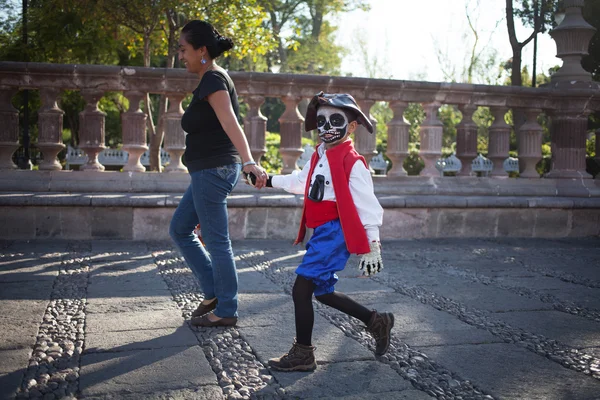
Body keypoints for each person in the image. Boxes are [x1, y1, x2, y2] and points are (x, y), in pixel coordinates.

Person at [248, 92, 394, 371]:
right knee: (323, 291)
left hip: (335, 233)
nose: (326, 127)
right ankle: (376, 320)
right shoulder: (319, 154)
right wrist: (267, 181)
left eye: (335, 120)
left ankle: (303, 354)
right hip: (323, 232)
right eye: (322, 120)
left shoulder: (353, 163)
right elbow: (301, 182)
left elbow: (368, 206)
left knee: (301, 290)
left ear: (351, 127)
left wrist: (373, 245)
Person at [169, 20, 268, 328]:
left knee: (216, 241)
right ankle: (213, 294)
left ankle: (226, 308)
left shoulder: (213, 79)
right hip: (207, 170)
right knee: (180, 229)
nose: (180, 56)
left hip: (214, 170)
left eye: (183, 50)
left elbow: (231, 123)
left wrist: (250, 161)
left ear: (201, 51)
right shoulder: (210, 79)